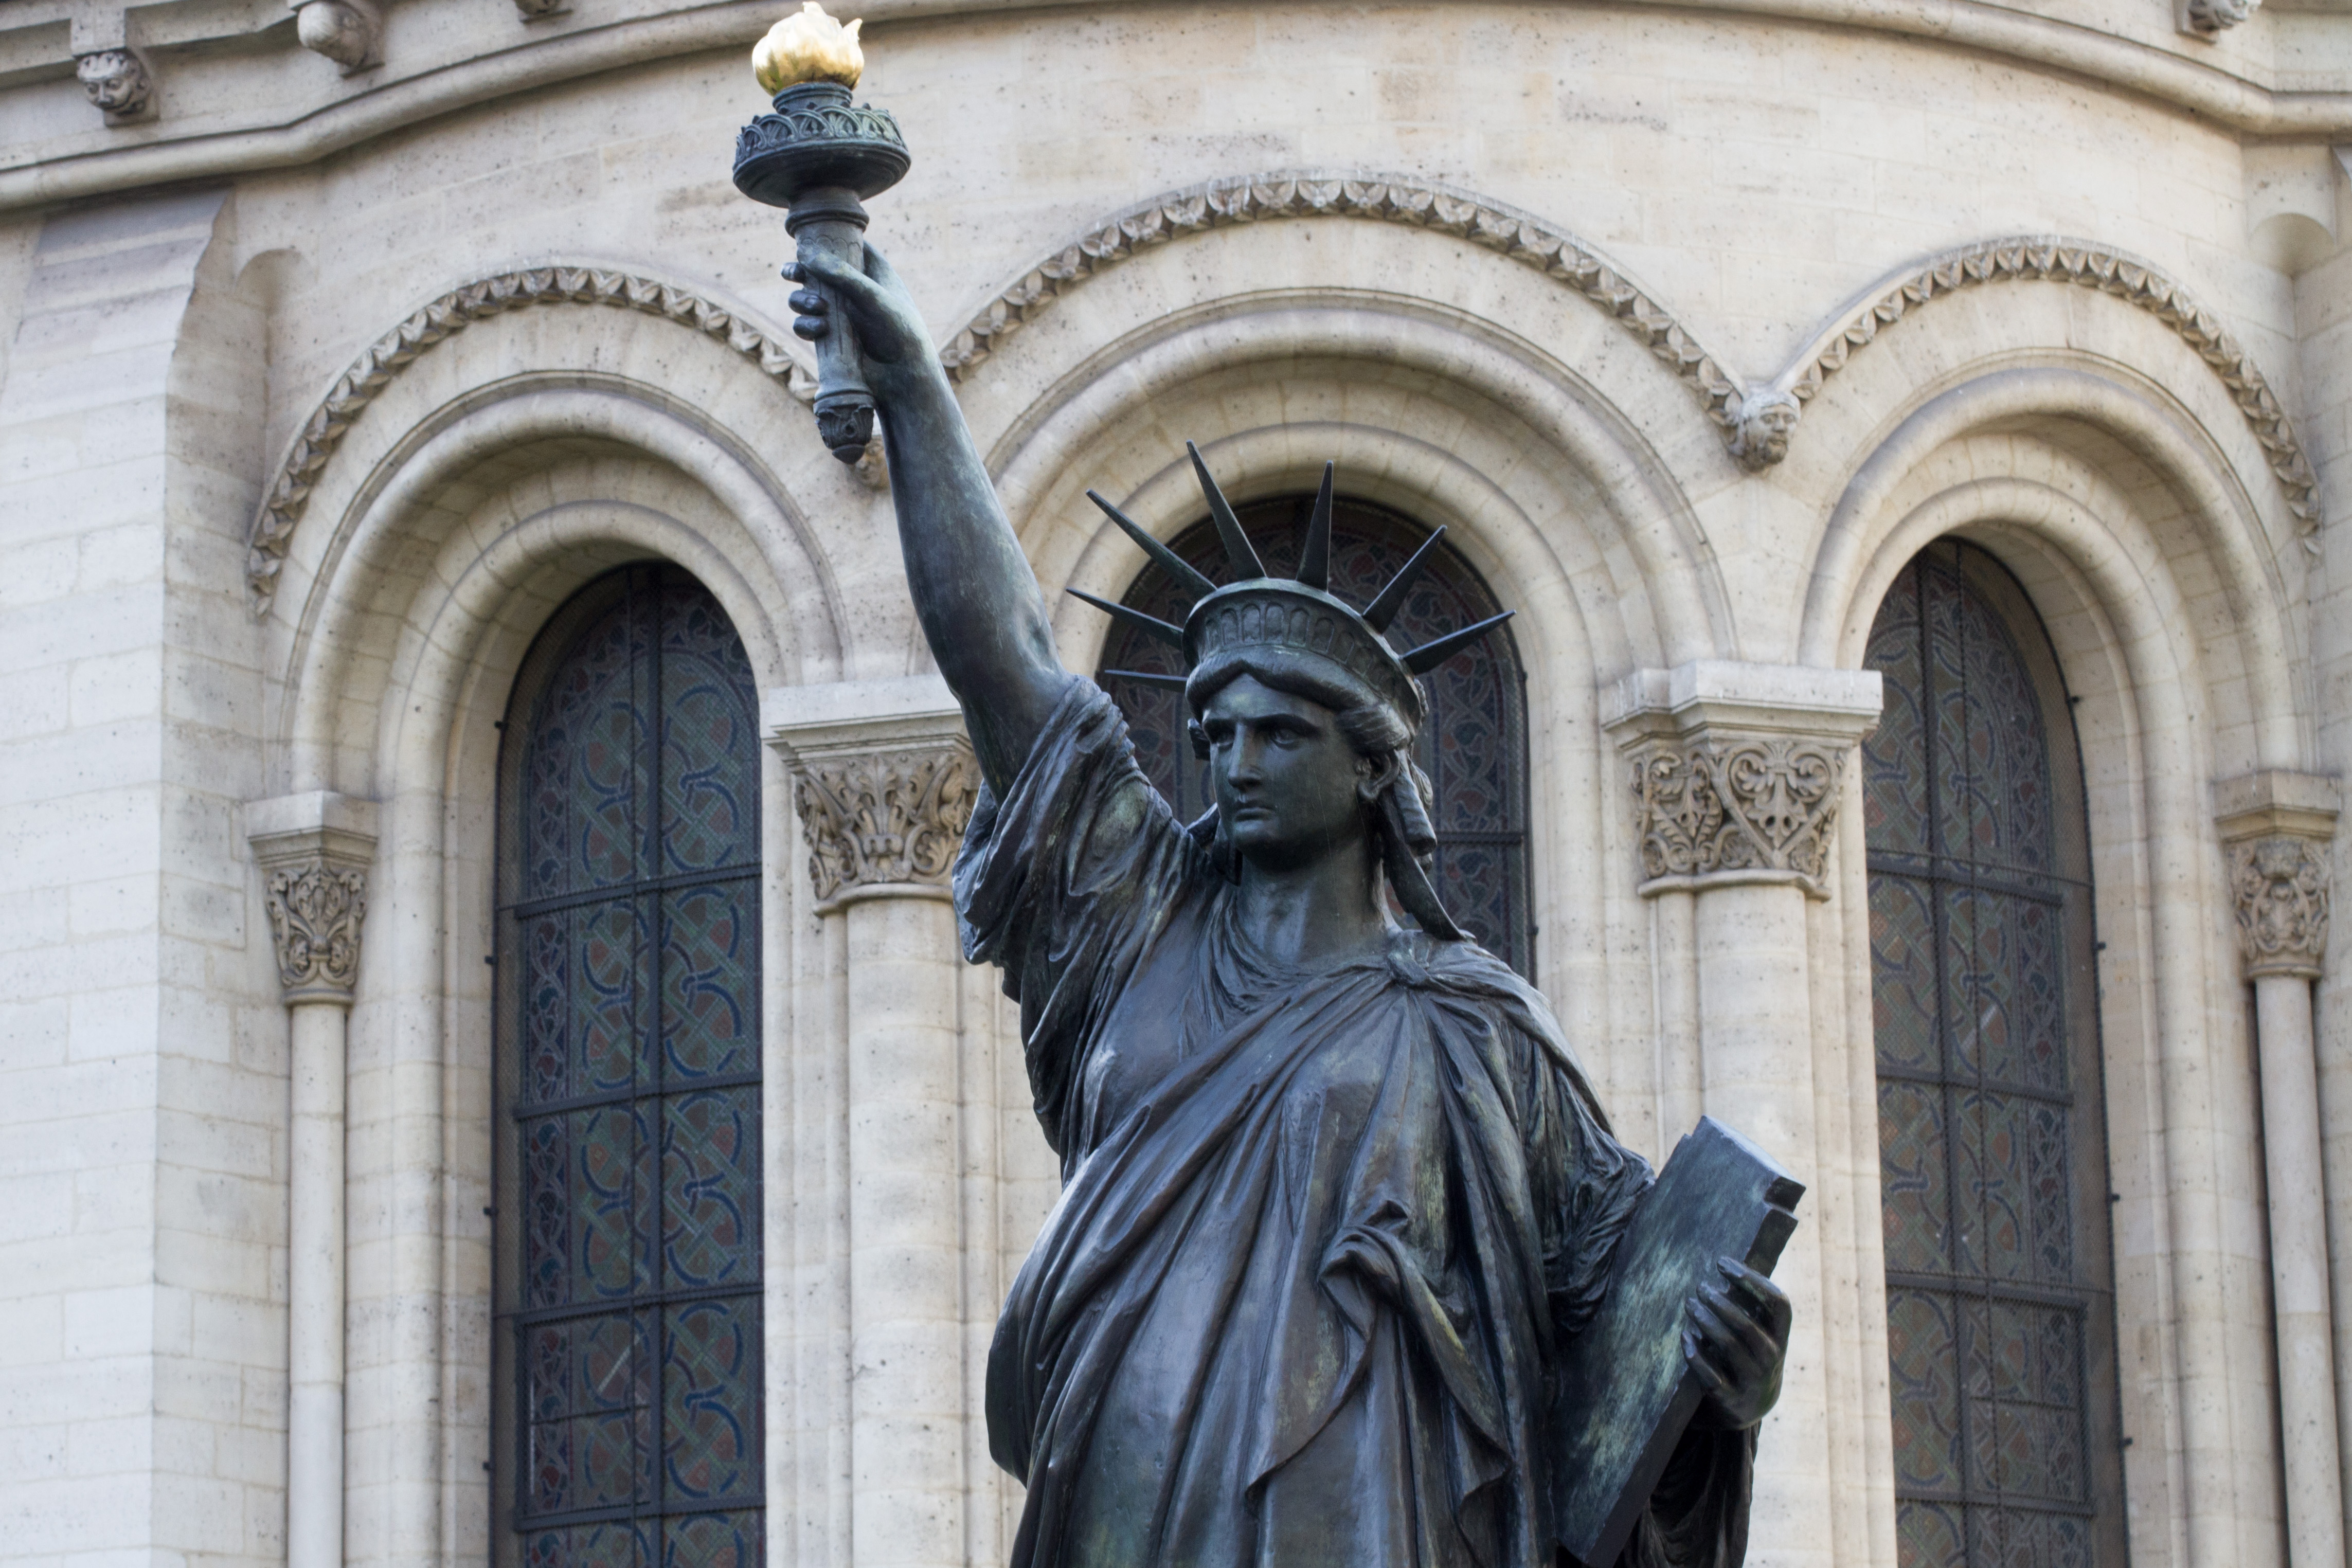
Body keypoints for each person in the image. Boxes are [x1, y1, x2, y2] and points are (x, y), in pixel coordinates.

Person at [786, 241, 1791, 1568]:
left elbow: (1616, 1339)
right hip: (1125, 1500)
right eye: (1213, 730)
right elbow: (1005, 664)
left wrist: (1729, 1384)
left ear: (1374, 768)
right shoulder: (1136, 921)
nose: (1232, 760)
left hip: (1386, 1517)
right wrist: (917, 392)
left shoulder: (1477, 1027)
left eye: (1276, 735)